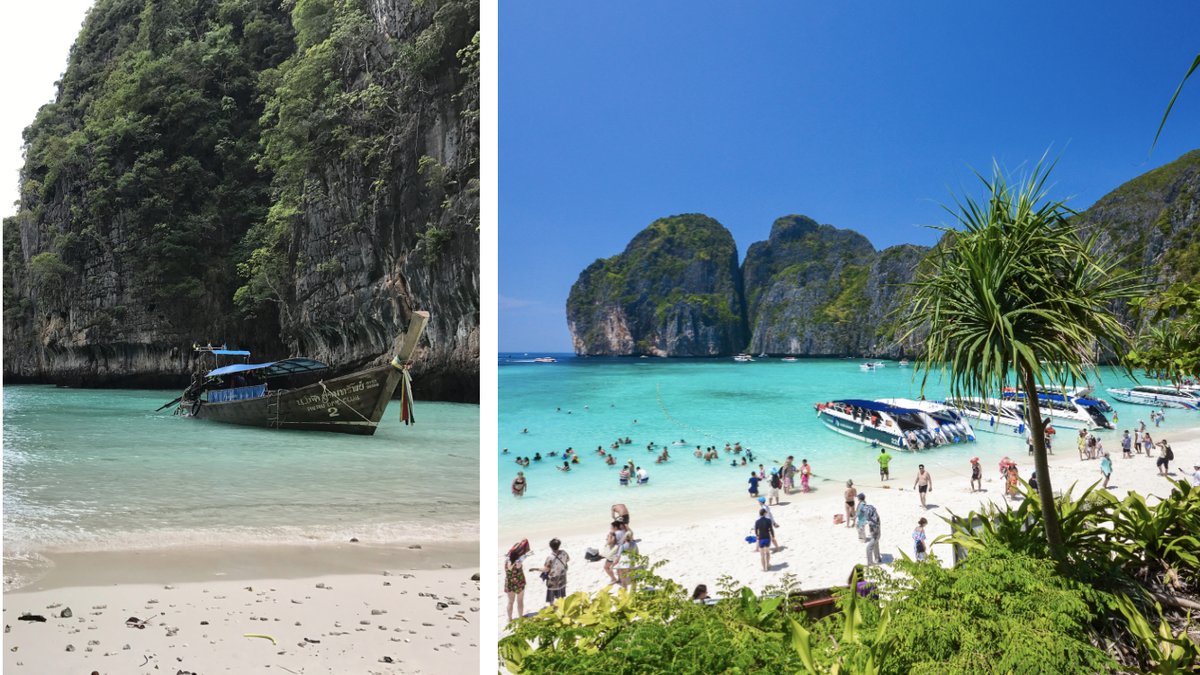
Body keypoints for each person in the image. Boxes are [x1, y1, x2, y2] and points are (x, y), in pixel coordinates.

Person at [533, 538, 569, 605]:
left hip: (553, 581)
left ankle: (552, 609)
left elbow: (546, 569)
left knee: (551, 598)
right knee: (561, 596)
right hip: (562, 578)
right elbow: (568, 560)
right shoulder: (564, 553)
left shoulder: (550, 557)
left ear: (550, 547)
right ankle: (562, 608)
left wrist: (536, 569)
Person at [504, 542, 528, 622]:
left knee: (510, 602)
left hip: (510, 583)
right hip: (519, 583)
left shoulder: (507, 562)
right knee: (520, 601)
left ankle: (510, 619)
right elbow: (523, 557)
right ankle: (520, 617)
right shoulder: (518, 563)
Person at [858, 494, 881, 565]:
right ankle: (878, 559)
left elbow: (864, 519)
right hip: (877, 530)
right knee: (875, 543)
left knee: (868, 548)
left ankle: (870, 563)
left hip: (875, 531)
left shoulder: (867, 512)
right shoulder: (870, 508)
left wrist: (862, 523)